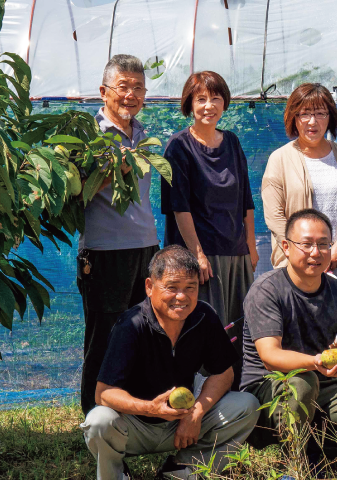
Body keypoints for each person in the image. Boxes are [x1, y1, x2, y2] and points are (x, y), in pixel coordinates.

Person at [81, 245, 259, 480]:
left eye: (190, 288)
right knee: (98, 421)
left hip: (183, 420)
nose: (181, 297)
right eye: (171, 288)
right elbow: (103, 394)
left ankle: (181, 471)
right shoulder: (131, 325)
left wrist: (195, 413)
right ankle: (116, 474)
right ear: (149, 287)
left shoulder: (204, 317)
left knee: (247, 405)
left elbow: (224, 374)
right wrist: (151, 408)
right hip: (135, 426)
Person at [241, 209, 337, 455]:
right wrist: (316, 362)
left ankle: (318, 450)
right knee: (304, 382)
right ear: (286, 247)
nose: (316, 252)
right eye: (306, 244)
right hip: (270, 388)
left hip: (323, 385)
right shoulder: (266, 290)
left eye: (324, 244)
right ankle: (293, 458)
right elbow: (270, 357)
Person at [161, 71, 257, 388]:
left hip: (236, 255)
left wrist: (251, 246)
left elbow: (245, 198)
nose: (209, 105)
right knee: (203, 330)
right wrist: (197, 255)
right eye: (201, 99)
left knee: (238, 329)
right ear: (190, 103)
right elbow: (179, 206)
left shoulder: (232, 142)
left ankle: (241, 399)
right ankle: (197, 401)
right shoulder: (178, 146)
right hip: (200, 261)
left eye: (215, 98)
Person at [78, 54, 160, 415]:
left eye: (138, 88)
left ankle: (132, 413)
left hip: (146, 247)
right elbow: (77, 189)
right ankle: (93, 418)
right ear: (103, 91)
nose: (131, 95)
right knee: (103, 340)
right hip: (105, 251)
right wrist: (117, 166)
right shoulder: (89, 136)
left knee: (141, 333)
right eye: (123, 87)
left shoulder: (142, 133)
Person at [262, 83, 337, 272]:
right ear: (294, 118)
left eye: (320, 113)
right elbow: (274, 216)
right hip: (296, 266)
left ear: (330, 117)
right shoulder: (279, 159)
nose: (313, 121)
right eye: (305, 114)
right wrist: (303, 250)